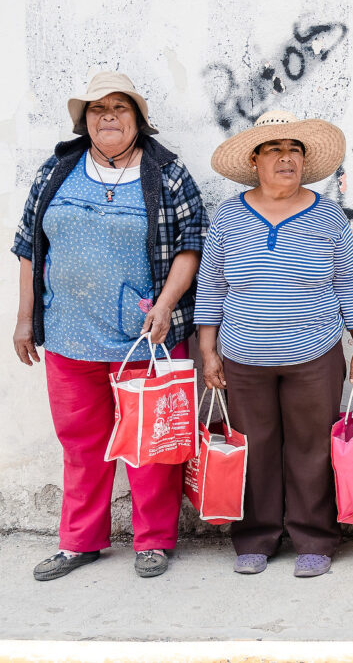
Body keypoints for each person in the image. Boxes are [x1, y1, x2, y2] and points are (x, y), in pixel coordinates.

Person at [12, 71, 207, 580]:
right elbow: (30, 245)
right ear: (85, 121)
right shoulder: (58, 169)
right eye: (98, 109)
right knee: (81, 446)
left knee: (151, 447)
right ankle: (80, 542)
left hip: (146, 339)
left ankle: (153, 541)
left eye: (120, 107)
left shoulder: (167, 172)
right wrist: (25, 318)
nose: (109, 117)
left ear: (138, 119)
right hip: (69, 335)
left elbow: (191, 244)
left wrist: (165, 304)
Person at [198, 110, 353, 578]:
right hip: (243, 356)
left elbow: (348, 283)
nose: (286, 158)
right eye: (274, 149)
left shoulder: (327, 215)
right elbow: (211, 286)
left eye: (294, 149)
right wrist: (208, 351)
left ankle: (314, 538)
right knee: (253, 447)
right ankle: (256, 537)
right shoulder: (229, 216)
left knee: (312, 448)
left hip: (314, 353)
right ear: (254, 161)